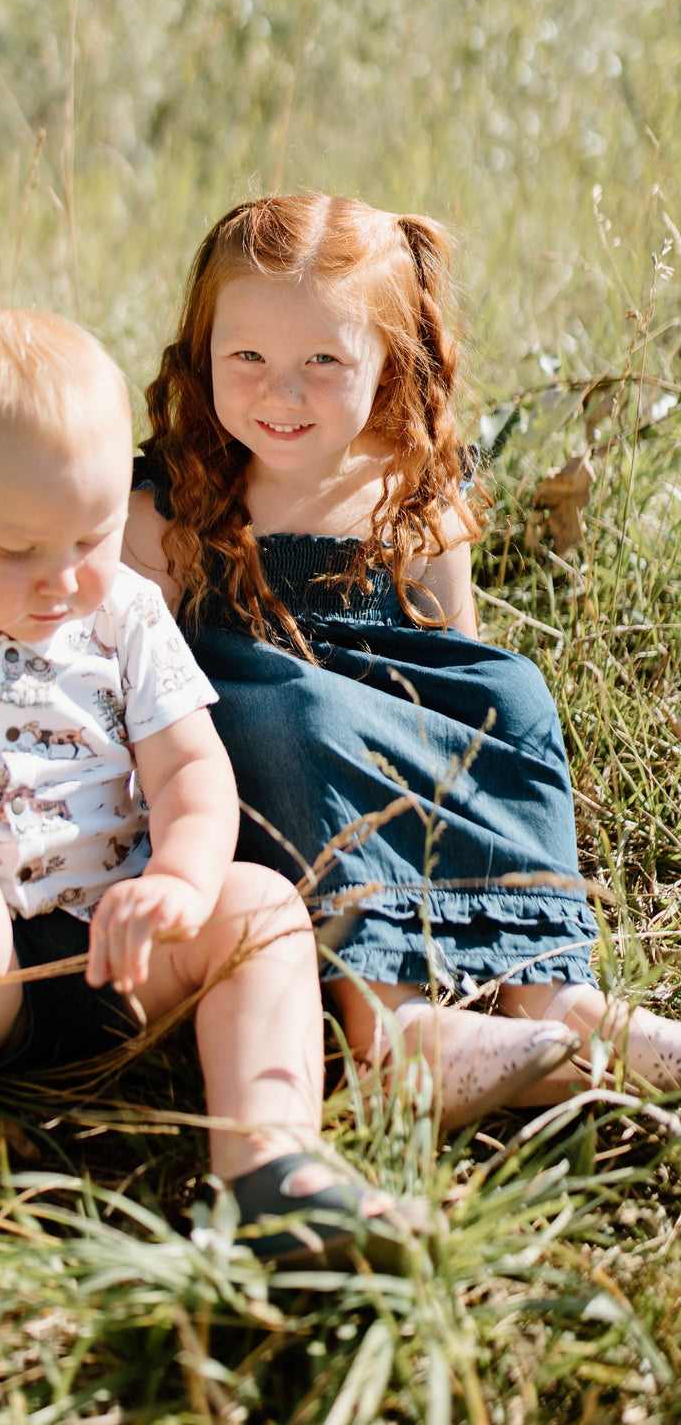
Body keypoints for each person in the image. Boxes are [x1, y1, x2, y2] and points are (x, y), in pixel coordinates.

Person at [0, 309, 424, 1414]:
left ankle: (276, 1169)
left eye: (92, 538)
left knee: (258, 908)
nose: (62, 581)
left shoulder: (127, 619)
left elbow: (194, 781)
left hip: (120, 949)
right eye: (15, 550)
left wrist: (179, 882)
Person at [125, 192, 681, 1127]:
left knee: (511, 690)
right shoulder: (170, 501)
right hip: (261, 739)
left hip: (379, 722)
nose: (282, 391)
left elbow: (448, 658)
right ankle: (395, 1028)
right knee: (295, 710)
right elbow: (128, 677)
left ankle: (551, 994)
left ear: (388, 363)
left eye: (324, 361)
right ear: (202, 349)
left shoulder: (410, 485)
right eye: (248, 357)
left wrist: (467, 722)